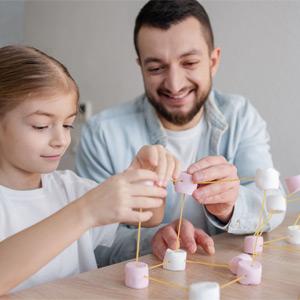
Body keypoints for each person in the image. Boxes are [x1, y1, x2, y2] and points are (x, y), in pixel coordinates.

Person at [75, 0, 284, 265]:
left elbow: (273, 205)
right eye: (156, 68)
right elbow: (91, 243)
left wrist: (230, 206)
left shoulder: (240, 116)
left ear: (213, 60)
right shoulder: (103, 133)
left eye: (189, 63)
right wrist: (152, 239)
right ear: (140, 66)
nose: (174, 85)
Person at [0, 45, 181, 294]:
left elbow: (149, 217)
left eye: (67, 125)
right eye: (41, 126)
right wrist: (85, 211)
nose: (61, 140)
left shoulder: (69, 187)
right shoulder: (81, 203)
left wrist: (147, 178)